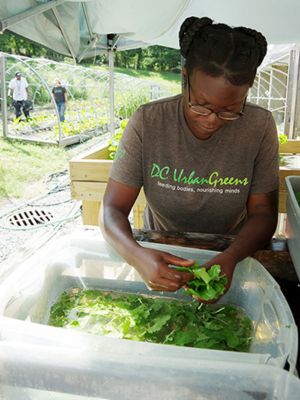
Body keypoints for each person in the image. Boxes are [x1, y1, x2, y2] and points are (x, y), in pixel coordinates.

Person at [99, 16, 279, 301]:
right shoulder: (148, 121)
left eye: (230, 110)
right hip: (162, 254)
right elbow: (111, 209)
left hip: (233, 254)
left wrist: (231, 257)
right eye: (201, 106)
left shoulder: (259, 125)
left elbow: (263, 213)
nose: (212, 120)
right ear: (184, 77)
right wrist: (136, 254)